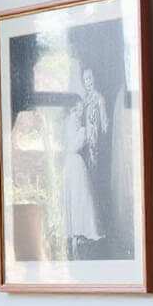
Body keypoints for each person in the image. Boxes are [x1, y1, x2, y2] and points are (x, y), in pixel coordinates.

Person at [62, 100, 100, 256]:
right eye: (78, 110)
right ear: (73, 109)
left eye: (81, 111)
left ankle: (80, 229)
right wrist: (84, 132)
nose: (80, 113)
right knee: (77, 195)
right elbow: (73, 145)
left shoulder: (76, 122)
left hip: (74, 162)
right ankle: (76, 230)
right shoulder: (73, 123)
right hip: (73, 163)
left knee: (81, 196)